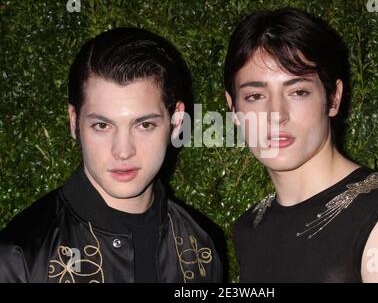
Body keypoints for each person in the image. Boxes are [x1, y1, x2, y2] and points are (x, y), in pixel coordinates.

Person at [224, 7, 378, 282]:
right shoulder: (250, 226)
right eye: (255, 96)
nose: (276, 114)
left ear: (333, 98)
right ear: (233, 109)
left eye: (298, 91)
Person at [0, 27, 222, 283]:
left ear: (177, 122)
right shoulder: (19, 257)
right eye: (102, 126)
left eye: (145, 125)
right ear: (74, 123)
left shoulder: (202, 244)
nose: (123, 151)